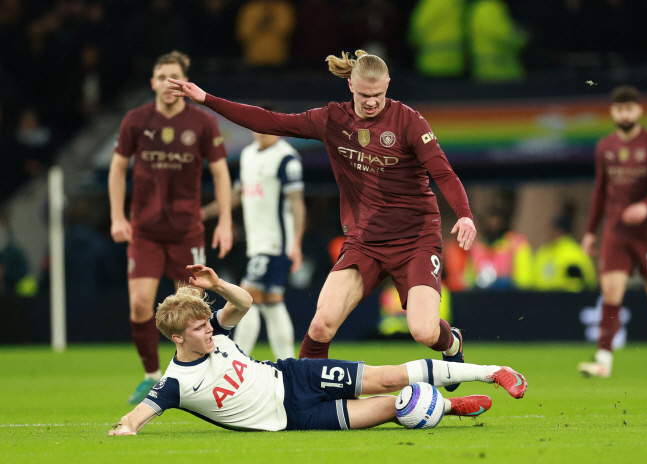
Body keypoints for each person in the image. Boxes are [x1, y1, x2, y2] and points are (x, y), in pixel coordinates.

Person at [167, 50, 477, 394]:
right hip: (365, 242)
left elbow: (442, 172)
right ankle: (303, 396)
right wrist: (206, 99)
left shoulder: (409, 122)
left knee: (424, 332)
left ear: (388, 85)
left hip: (416, 239)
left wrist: (463, 213)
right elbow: (270, 121)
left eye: (378, 95)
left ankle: (452, 344)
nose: (371, 102)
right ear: (350, 85)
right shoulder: (332, 119)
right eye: (363, 95)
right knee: (321, 324)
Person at [108, 264, 527, 435]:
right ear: (177, 338)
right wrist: (126, 429)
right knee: (395, 407)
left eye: (206, 323)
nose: (208, 331)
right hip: (297, 417)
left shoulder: (217, 334)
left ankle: (494, 371)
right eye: (198, 329)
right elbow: (137, 416)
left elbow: (245, 303)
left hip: (295, 375)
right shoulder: (176, 383)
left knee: (388, 376)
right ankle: (455, 407)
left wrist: (216, 286)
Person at [109, 51, 233, 404]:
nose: (168, 83)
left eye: (174, 77)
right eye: (162, 76)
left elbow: (221, 173)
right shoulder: (135, 120)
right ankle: (150, 376)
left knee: (193, 310)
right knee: (139, 305)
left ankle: (199, 378)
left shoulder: (203, 123)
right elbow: (118, 168)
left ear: (185, 81)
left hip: (186, 231)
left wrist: (224, 220)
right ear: (153, 82)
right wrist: (118, 217)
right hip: (145, 231)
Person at [578, 85, 647, 379]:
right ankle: (603, 360)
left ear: (639, 110)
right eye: (619, 108)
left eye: (629, 108)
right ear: (613, 112)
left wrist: (646, 207)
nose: (625, 113)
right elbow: (600, 191)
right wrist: (590, 232)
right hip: (617, 232)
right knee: (611, 293)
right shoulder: (605, 147)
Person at [201, 120, 305, 360]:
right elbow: (237, 194)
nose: (261, 131)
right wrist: (204, 214)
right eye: (257, 126)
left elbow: (297, 204)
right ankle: (288, 364)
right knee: (272, 303)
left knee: (244, 299)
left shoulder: (286, 158)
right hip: (257, 243)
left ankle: (236, 363)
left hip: (275, 244)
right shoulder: (248, 155)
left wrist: (296, 243)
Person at [531, 213, 597, 292]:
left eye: (553, 229)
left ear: (560, 231)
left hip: (565, 298)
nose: (550, 232)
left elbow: (590, 281)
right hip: (541, 298)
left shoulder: (575, 252)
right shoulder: (544, 251)